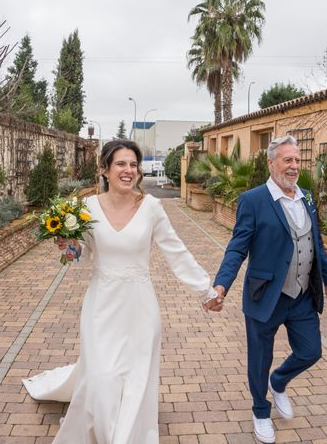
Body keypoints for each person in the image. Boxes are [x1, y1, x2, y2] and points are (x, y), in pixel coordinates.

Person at [23, 139, 219, 444]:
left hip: (140, 308)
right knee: (102, 380)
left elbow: (175, 252)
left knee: (136, 380)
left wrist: (204, 290)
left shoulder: (152, 207)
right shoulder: (86, 208)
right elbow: (79, 256)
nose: (129, 171)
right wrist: (66, 245)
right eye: (121, 164)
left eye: (133, 165)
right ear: (104, 168)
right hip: (101, 306)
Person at [204, 135, 327, 444]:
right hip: (265, 295)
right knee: (259, 359)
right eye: (287, 160)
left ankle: (278, 381)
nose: (294, 166)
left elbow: (316, 243)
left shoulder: (306, 197)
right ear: (271, 163)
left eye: (297, 159)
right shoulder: (253, 200)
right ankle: (261, 411)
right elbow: (237, 249)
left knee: (311, 351)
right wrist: (221, 285)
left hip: (303, 295)